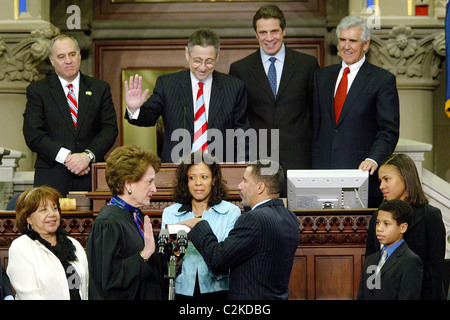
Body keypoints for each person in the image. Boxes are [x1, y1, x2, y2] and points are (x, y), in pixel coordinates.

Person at [312, 15, 399, 207]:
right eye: (342, 40)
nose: (346, 46)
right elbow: (314, 125)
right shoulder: (321, 77)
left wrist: (373, 159)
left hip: (360, 176)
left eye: (353, 41)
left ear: (366, 44)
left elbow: (388, 130)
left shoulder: (381, 80)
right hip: (321, 175)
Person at [125, 28, 249, 163]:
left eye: (209, 61)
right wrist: (134, 109)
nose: (202, 67)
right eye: (197, 60)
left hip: (219, 168)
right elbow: (148, 118)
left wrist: (241, 168)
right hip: (177, 168)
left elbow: (241, 132)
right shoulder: (168, 84)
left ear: (218, 56)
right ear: (187, 54)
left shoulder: (234, 87)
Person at [229, 5, 319, 191]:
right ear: (256, 34)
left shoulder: (307, 65)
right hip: (258, 162)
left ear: (283, 31)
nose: (269, 38)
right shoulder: (240, 69)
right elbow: (237, 119)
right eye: (263, 32)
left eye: (274, 31)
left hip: (299, 160)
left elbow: (317, 113)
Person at [180, 160, 299, 299]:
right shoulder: (290, 218)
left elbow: (218, 260)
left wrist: (199, 224)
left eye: (245, 181)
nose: (239, 186)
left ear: (260, 187)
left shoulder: (253, 220)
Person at [23, 34, 118, 197]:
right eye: (61, 56)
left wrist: (87, 156)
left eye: (72, 54)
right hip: (52, 176)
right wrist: (67, 157)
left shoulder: (100, 88)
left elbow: (109, 129)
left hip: (92, 175)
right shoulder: (38, 91)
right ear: (52, 61)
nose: (68, 61)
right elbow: (33, 134)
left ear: (79, 55)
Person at [86, 144, 167, 299]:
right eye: (149, 182)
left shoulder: (135, 215)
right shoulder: (108, 223)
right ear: (129, 184)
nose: (154, 189)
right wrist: (144, 254)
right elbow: (108, 282)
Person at [366, 153, 447, 300]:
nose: (381, 186)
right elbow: (372, 265)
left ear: (405, 178)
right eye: (380, 180)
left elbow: (435, 272)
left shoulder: (430, 216)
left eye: (387, 179)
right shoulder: (378, 216)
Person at [162, 152, 241, 300]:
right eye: (192, 177)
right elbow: (165, 260)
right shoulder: (171, 213)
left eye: (204, 177)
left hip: (219, 290)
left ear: (213, 179)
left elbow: (229, 256)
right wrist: (175, 251)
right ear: (186, 181)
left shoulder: (231, 212)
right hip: (181, 290)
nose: (198, 183)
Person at [6, 186, 89, 300]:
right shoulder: (21, 247)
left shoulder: (73, 244)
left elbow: (86, 289)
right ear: (28, 218)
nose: (52, 214)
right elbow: (30, 296)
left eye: (55, 208)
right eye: (43, 210)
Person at [357, 199, 422, 300]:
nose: (379, 228)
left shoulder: (410, 261)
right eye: (378, 223)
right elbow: (366, 294)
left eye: (386, 224)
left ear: (403, 228)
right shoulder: (371, 260)